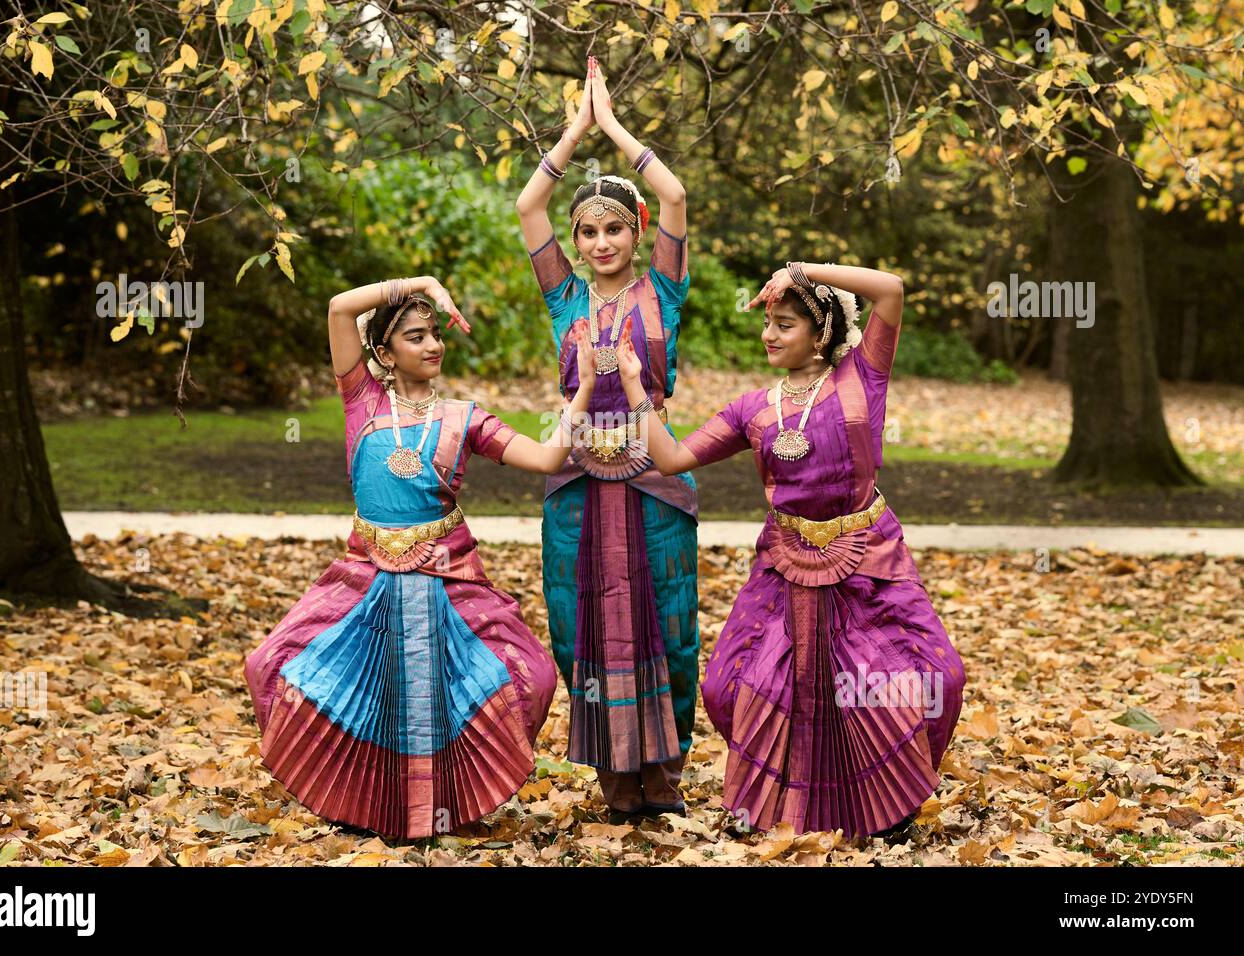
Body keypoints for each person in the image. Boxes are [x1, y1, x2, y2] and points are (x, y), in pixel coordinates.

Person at [616, 260, 965, 839]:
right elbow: (673, 459)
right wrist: (633, 387)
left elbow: (891, 289)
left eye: (785, 324)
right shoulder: (751, 408)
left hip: (867, 556)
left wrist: (800, 269)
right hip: (785, 562)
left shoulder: (863, 375)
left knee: (930, 677)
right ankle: (787, 802)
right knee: (729, 683)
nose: (769, 335)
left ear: (822, 332)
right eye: (769, 323)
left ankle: (887, 805)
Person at [244, 275, 595, 839]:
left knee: (531, 675)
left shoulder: (465, 418)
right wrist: (421, 282)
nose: (433, 345)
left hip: (446, 576)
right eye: (415, 336)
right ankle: (363, 802)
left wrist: (582, 395)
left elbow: (551, 457)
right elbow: (339, 306)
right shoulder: (360, 397)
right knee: (271, 665)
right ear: (383, 354)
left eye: (435, 334)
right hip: (366, 576)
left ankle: (446, 804)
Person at [512, 57, 698, 816]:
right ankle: (614, 780)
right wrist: (574, 131)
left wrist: (614, 127)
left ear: (638, 232)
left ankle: (665, 776)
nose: (597, 242)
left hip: (654, 480)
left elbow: (676, 192)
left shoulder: (664, 287)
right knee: (582, 623)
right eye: (586, 231)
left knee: (666, 622)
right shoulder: (563, 297)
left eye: (614, 227)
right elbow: (529, 206)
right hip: (578, 485)